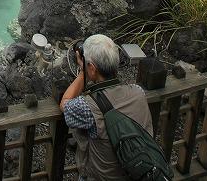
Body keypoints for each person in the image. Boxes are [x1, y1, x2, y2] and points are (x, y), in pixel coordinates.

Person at [60, 34, 153, 180]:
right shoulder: (138, 92)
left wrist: (83, 72)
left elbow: (65, 103)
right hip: (138, 173)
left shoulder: (88, 107)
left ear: (92, 68)